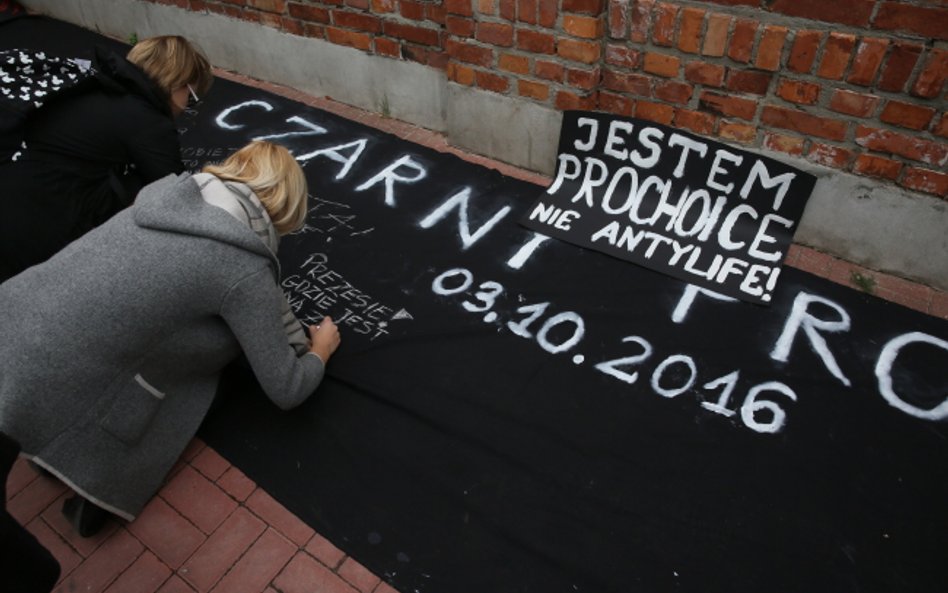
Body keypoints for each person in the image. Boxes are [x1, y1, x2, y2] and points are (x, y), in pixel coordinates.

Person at [0, 140, 341, 537]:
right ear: (286, 207)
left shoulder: (163, 197)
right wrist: (320, 350)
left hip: (16, 317)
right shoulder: (242, 268)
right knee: (190, 371)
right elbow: (287, 388)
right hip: (61, 368)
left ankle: (47, 453)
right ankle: (96, 491)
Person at [0, 35, 213, 281]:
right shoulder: (146, 120)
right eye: (192, 97)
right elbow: (176, 193)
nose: (187, 107)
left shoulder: (96, 85)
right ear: (178, 84)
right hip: (40, 220)